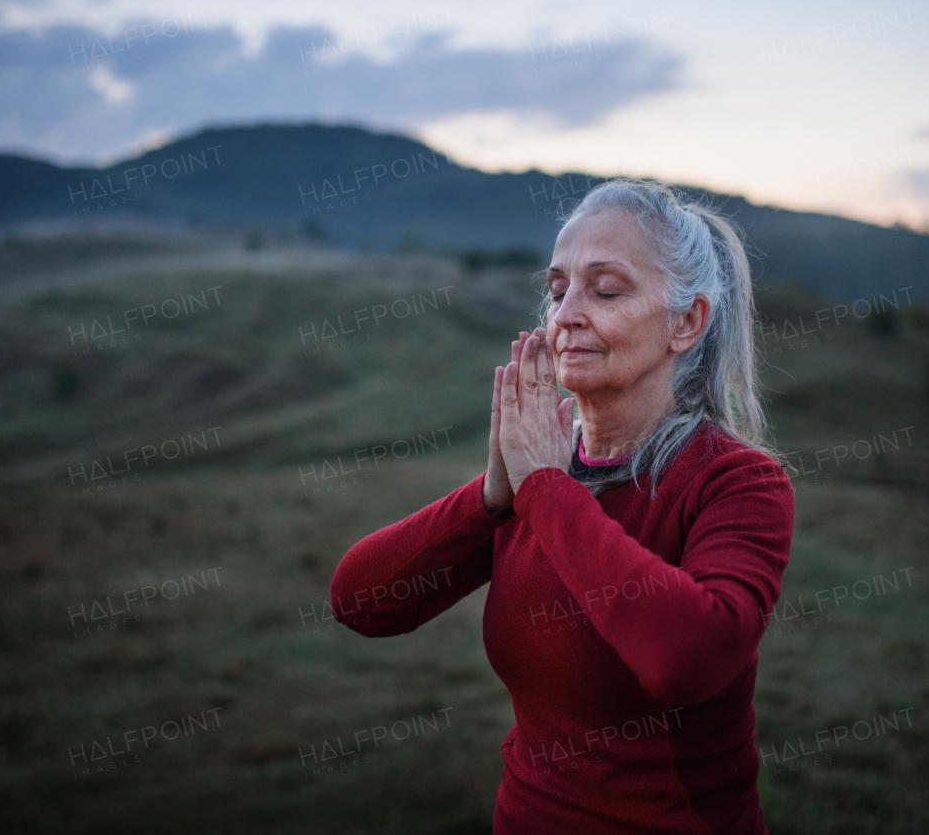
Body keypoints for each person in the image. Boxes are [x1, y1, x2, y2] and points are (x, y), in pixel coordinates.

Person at [331, 179, 795, 834]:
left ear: (687, 321)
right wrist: (494, 494)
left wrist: (547, 490)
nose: (566, 313)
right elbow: (359, 602)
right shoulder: (540, 470)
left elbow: (686, 659)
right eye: (557, 290)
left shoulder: (737, 482)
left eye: (604, 290)